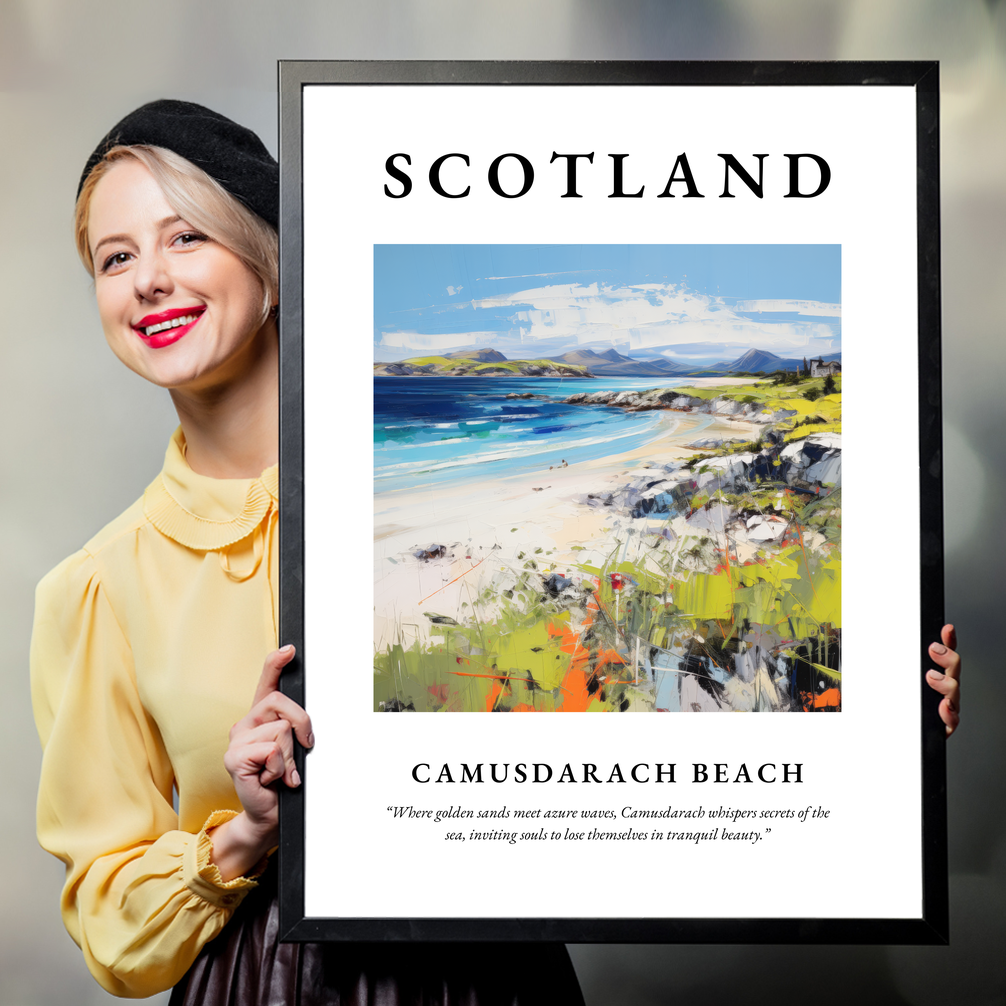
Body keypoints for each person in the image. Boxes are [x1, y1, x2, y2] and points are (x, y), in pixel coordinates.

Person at [30, 100, 585, 1004]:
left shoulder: (443, 500)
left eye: (186, 239)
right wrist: (245, 832)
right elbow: (110, 924)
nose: (148, 281)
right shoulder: (97, 587)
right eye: (116, 257)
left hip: (493, 972)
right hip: (263, 981)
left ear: (273, 264)